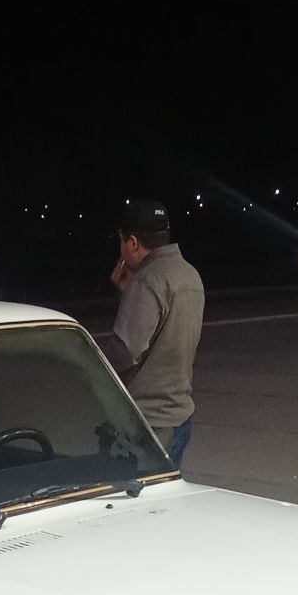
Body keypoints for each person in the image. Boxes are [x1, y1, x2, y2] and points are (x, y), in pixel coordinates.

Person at [103, 199, 204, 465]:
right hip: (178, 416)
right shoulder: (189, 274)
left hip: (148, 422)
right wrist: (127, 293)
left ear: (133, 243)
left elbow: (126, 349)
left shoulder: (149, 280)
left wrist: (95, 371)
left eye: (121, 241)